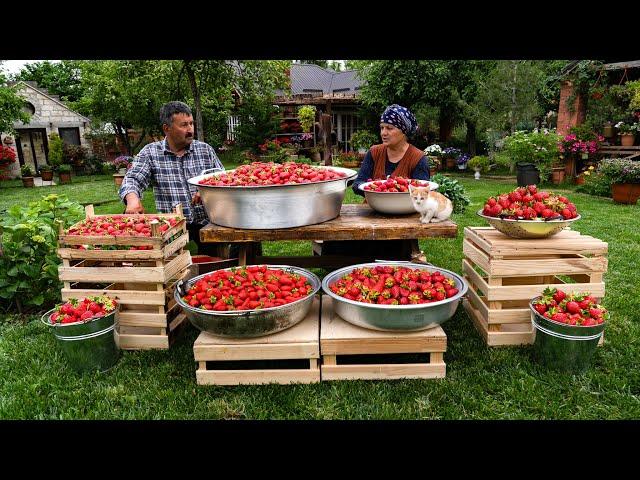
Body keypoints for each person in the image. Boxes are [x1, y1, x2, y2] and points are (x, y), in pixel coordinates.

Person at [323, 104, 430, 262]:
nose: (383, 133)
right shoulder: (374, 152)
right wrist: (375, 189)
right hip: (370, 213)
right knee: (337, 239)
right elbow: (358, 183)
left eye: (389, 128)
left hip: (403, 219)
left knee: (392, 250)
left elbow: (423, 194)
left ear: (404, 131)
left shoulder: (418, 158)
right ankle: (339, 263)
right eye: (382, 128)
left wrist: (393, 192)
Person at [118, 101, 224, 257]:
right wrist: (132, 199)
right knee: (173, 268)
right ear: (167, 129)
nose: (190, 130)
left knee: (212, 262)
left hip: (206, 221)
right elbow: (132, 178)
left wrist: (209, 190)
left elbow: (222, 178)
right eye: (184, 125)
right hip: (172, 224)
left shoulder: (204, 150)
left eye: (191, 124)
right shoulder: (151, 153)